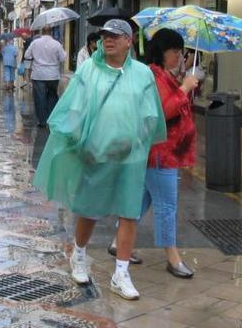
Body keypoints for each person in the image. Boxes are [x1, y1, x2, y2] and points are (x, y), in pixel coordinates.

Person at [32, 19, 166, 300]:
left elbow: (151, 114)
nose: (109, 39)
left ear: (129, 41)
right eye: (105, 35)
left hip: (130, 157)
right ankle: (79, 254)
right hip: (95, 154)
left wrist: (137, 140)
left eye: (116, 35)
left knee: (129, 213)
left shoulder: (142, 74)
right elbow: (73, 109)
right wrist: (82, 143)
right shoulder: (89, 70)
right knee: (89, 209)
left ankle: (121, 272)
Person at [135, 28, 200, 278]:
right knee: (166, 205)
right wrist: (183, 89)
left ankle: (120, 241)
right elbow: (162, 112)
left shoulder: (163, 75)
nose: (178, 56)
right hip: (162, 152)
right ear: (162, 53)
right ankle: (172, 257)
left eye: (180, 52)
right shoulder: (155, 76)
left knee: (144, 199)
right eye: (175, 51)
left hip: (164, 151)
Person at [24, 26, 67, 127]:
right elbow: (62, 58)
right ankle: (51, 119)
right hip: (53, 75)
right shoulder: (57, 44)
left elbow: (27, 55)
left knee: (40, 98)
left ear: (41, 32)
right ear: (51, 32)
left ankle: (42, 121)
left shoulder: (35, 43)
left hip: (38, 75)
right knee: (52, 96)